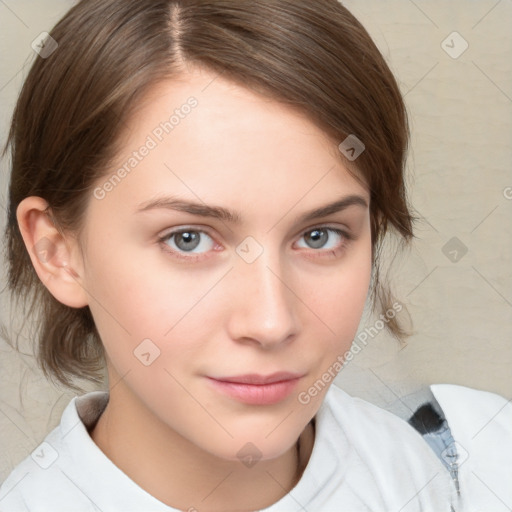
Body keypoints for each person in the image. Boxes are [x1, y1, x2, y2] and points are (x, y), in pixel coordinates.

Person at [1, 0, 500, 510]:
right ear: (57, 251)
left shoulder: (470, 466)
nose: (270, 322)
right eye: (188, 239)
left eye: (320, 236)